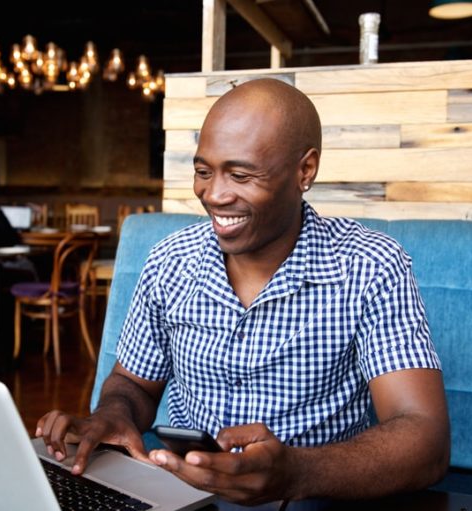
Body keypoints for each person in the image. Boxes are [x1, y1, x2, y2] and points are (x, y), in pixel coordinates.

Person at [36, 78, 450, 505]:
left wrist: (295, 473)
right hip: (177, 494)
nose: (214, 195)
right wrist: (113, 415)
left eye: (241, 174)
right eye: (202, 171)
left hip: (309, 500)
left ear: (304, 171)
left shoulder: (370, 266)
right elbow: (132, 384)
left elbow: (425, 437)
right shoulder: (169, 260)